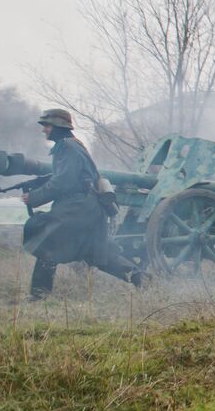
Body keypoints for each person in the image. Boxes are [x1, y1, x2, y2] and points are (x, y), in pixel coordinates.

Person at [23, 108, 143, 300]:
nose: (44, 130)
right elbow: (68, 177)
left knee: (47, 241)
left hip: (78, 208)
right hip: (86, 208)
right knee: (98, 253)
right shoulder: (71, 146)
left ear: (58, 126)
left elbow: (63, 182)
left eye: (47, 125)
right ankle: (142, 279)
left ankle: (39, 295)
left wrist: (35, 197)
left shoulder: (68, 148)